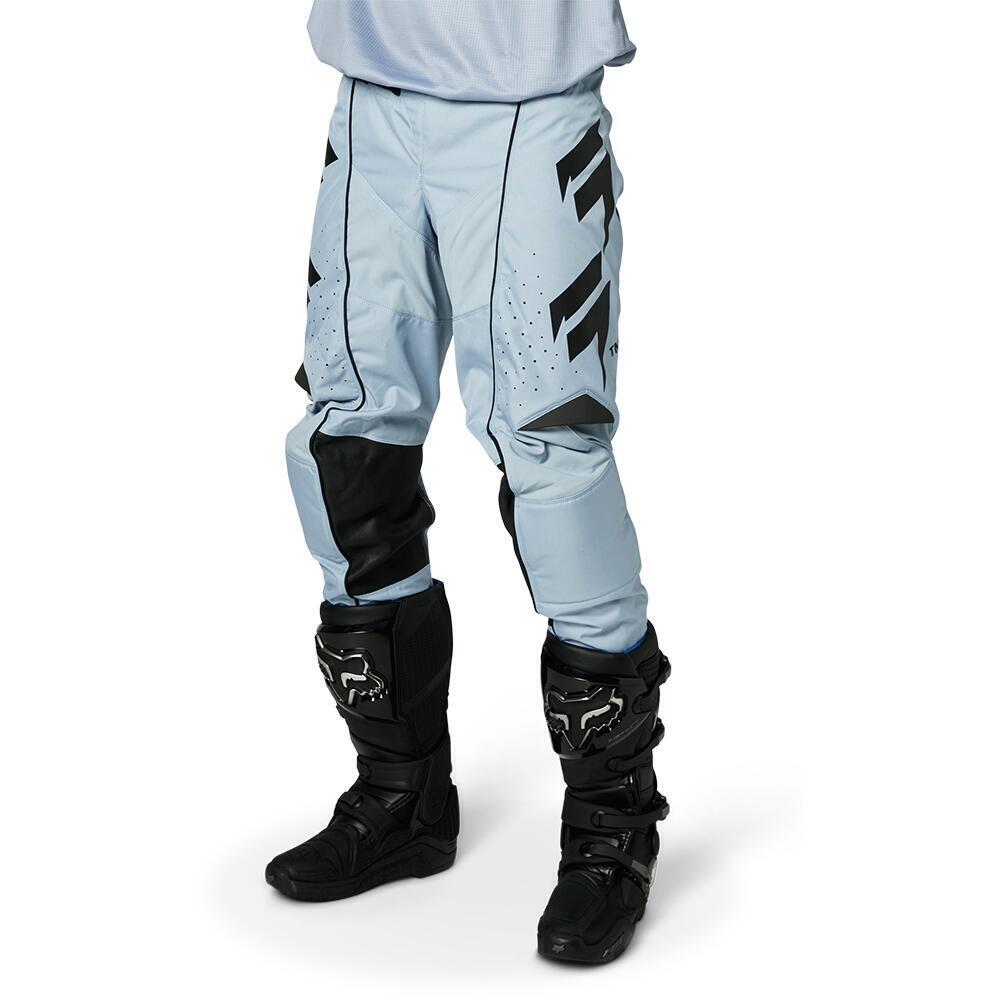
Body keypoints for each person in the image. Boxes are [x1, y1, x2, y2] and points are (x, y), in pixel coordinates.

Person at [268, 0, 671, 964]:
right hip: (373, 89)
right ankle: (401, 794)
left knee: (550, 454)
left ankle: (612, 827)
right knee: (343, 440)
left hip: (528, 93)